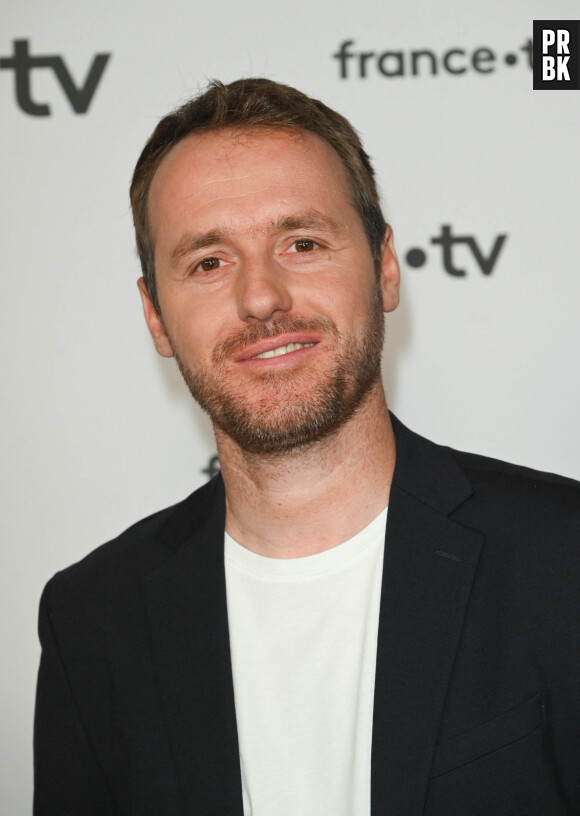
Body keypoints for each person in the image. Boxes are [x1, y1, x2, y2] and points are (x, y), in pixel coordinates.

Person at [34, 78, 580, 816]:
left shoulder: (562, 556)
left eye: (303, 242)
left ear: (385, 266)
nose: (261, 298)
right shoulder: (92, 620)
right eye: (208, 262)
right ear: (155, 317)